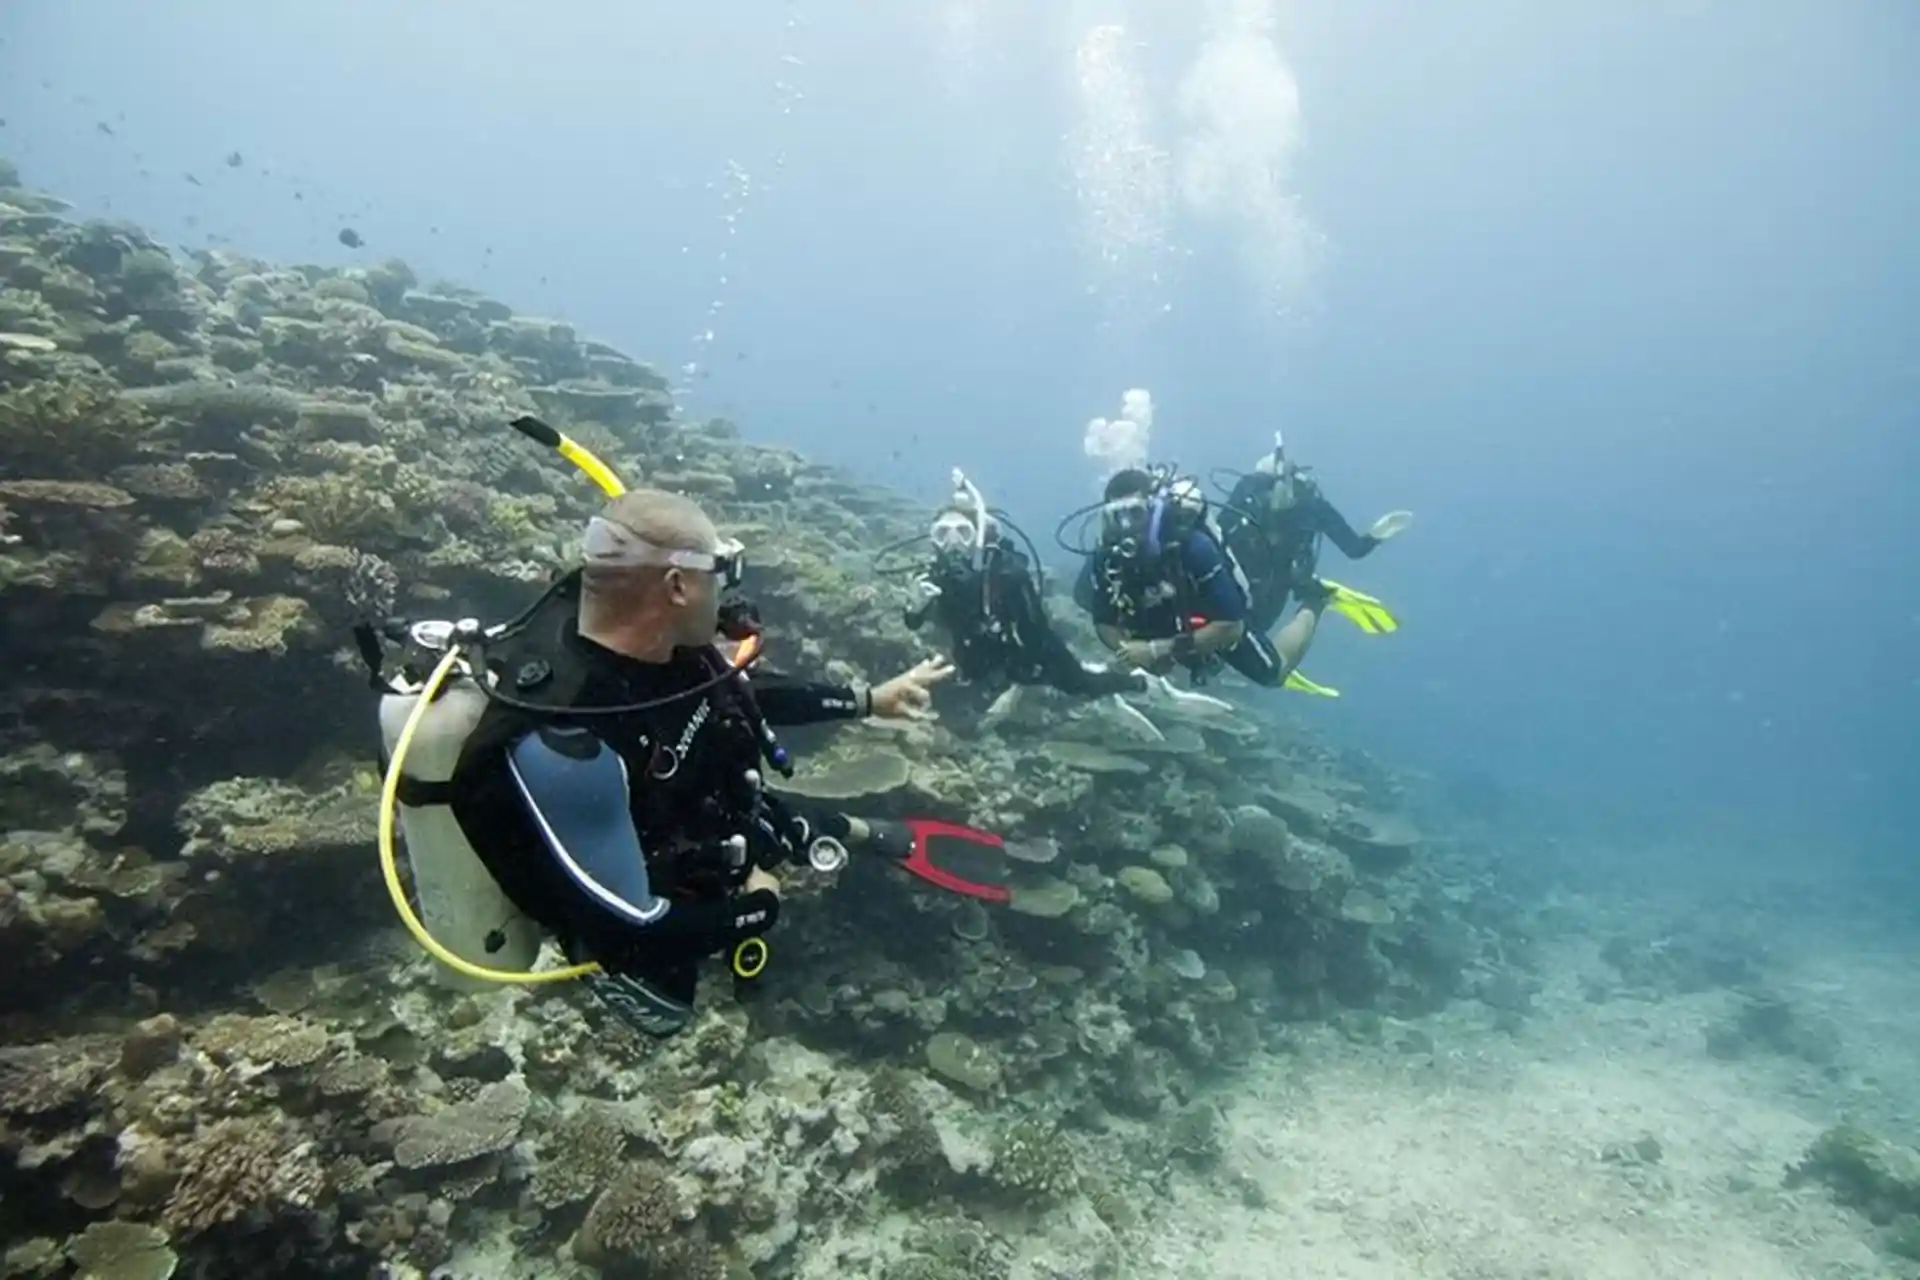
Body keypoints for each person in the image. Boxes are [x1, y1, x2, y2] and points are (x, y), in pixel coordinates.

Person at [430, 488, 951, 1036]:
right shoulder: (570, 745)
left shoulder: (654, 642)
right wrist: (757, 910)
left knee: (782, 818)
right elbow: (629, 929)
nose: (726, 590)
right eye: (721, 570)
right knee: (666, 1010)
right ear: (676, 587)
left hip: (683, 805)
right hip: (635, 870)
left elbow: (736, 689)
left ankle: (856, 830)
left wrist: (868, 699)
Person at [904, 485, 1145, 708]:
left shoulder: (1004, 571)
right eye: (943, 534)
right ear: (932, 540)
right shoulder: (932, 576)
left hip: (1022, 652)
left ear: (977, 537)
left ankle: (1134, 682)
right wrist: (914, 608)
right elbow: (914, 622)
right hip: (976, 656)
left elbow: (1035, 629)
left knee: (1078, 685)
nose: (953, 543)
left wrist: (1035, 664)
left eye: (963, 533)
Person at [1070, 466, 1289, 688]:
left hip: (1209, 619)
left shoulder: (1192, 547)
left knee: (1272, 675)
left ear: (1153, 510)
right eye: (1117, 516)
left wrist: (1156, 650)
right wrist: (1130, 651)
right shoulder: (1107, 557)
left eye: (1135, 514)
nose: (1126, 525)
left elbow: (1232, 626)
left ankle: (1314, 601)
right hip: (1162, 622)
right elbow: (1103, 622)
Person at [1217, 433, 1412, 680]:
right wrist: (1377, 534)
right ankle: (1314, 600)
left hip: (1240, 582)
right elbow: (1355, 549)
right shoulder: (1309, 504)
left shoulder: (1251, 492)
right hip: (1263, 584)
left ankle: (1316, 600)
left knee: (1263, 658)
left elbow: (1217, 531)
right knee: (1255, 646)